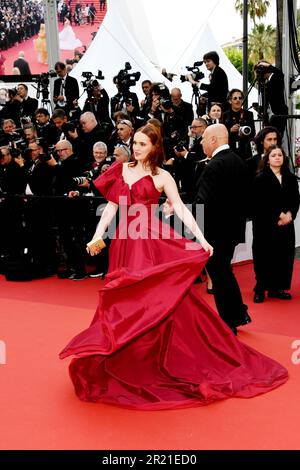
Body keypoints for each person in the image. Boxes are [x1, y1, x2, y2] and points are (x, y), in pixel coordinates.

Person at [59, 123, 287, 409]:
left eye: (143, 144)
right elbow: (113, 209)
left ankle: (152, 355)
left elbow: (181, 210)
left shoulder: (163, 176)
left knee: (151, 300)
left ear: (154, 147)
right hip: (124, 243)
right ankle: (121, 353)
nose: (137, 148)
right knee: (125, 300)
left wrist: (202, 240)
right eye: (136, 143)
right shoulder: (121, 170)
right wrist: (96, 235)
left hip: (149, 243)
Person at [194, 124, 252, 334]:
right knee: (225, 272)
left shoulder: (214, 166)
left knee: (219, 275)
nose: (200, 142)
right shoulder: (238, 161)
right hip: (232, 231)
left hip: (215, 233)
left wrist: (186, 218)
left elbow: (203, 203)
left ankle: (228, 323)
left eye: (203, 138)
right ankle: (238, 314)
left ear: (213, 140)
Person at [251, 146, 300, 303]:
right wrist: (279, 214)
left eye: (280, 155)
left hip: (286, 224)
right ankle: (260, 288)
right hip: (265, 224)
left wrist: (290, 215)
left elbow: (295, 199)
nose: (277, 157)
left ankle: (276, 288)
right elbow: (260, 202)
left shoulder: (291, 178)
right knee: (264, 256)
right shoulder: (260, 178)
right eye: (274, 155)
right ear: (267, 159)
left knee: (283, 255)